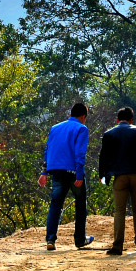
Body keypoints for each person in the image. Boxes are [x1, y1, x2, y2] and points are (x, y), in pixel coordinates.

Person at [38, 102, 95, 251]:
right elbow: (80, 153)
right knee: (81, 204)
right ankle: (79, 239)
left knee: (55, 205)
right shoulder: (82, 129)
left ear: (70, 114)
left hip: (55, 171)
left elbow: (47, 151)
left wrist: (44, 173)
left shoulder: (54, 128)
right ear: (83, 116)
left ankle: (50, 239)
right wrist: (79, 173)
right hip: (72, 172)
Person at [99, 107, 136, 255]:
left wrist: (102, 175)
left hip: (119, 177)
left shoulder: (109, 134)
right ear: (131, 120)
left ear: (117, 120)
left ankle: (117, 246)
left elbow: (103, 157)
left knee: (119, 211)